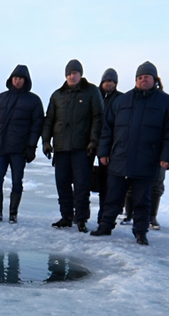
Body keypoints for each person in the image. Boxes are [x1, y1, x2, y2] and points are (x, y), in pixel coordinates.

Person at [95, 62, 169, 245]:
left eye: (147, 77)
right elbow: (107, 129)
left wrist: (167, 156)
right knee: (113, 197)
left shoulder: (166, 102)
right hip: (120, 158)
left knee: (142, 200)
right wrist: (103, 152)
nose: (143, 80)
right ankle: (105, 226)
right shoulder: (122, 101)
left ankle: (140, 232)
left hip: (146, 160)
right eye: (139, 77)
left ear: (154, 79)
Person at [43, 59, 103, 230]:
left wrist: (93, 141)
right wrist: (47, 142)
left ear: (80, 74)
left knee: (81, 185)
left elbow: (97, 117)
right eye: (69, 73)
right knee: (62, 183)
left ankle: (81, 219)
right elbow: (49, 120)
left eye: (75, 73)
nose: (72, 76)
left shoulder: (91, 92)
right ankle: (66, 216)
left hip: (82, 148)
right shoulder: (57, 95)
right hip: (61, 148)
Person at [0, 65, 44, 224]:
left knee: (16, 182)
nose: (17, 80)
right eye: (15, 77)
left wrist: (31, 147)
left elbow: (37, 125)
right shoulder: (0, 98)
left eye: (20, 78)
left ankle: (13, 213)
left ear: (25, 80)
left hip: (19, 150)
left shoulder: (33, 100)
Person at [93, 69, 121, 222]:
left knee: (109, 185)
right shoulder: (95, 96)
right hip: (92, 146)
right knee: (91, 182)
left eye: (112, 81)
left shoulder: (120, 99)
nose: (109, 83)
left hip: (111, 149)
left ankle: (105, 216)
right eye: (106, 81)